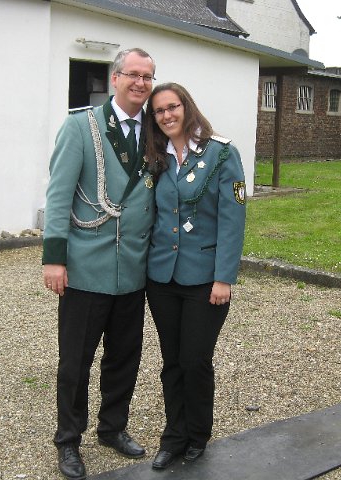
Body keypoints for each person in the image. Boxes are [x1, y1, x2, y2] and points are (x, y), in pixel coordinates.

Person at [42, 48, 157, 480]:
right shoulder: (80, 126)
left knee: (124, 357)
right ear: (115, 78)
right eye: (133, 74)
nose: (140, 83)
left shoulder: (154, 130)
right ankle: (68, 440)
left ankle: (112, 428)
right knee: (76, 362)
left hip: (133, 270)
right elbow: (58, 197)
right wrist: (54, 259)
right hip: (87, 268)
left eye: (147, 76)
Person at [143, 83, 246, 469]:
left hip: (205, 279)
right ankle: (173, 436)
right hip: (162, 278)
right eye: (159, 111)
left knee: (195, 360)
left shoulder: (222, 153)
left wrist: (225, 277)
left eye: (172, 107)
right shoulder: (156, 156)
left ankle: (198, 433)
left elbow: (233, 219)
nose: (166, 115)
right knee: (171, 360)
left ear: (187, 107)